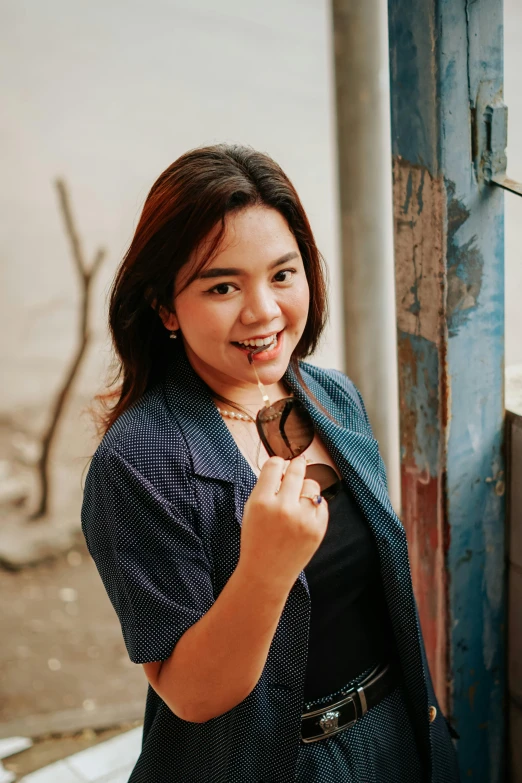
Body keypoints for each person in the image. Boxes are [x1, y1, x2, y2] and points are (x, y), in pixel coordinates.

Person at [81, 143, 460, 783]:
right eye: (223, 286)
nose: (263, 312)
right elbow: (190, 694)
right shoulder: (140, 461)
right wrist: (265, 567)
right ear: (166, 308)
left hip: (395, 735)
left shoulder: (329, 396)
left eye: (283, 275)